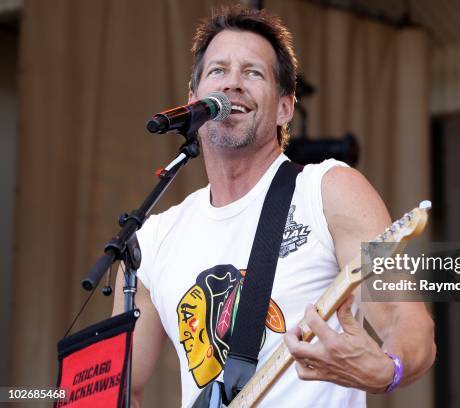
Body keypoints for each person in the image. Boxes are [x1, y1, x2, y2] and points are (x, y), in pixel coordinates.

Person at [112, 5, 435, 408]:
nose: (233, 84)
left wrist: (389, 370)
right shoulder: (153, 238)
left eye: (253, 73)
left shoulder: (328, 191)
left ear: (285, 107)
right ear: (193, 100)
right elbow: (120, 390)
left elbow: (409, 322)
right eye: (218, 71)